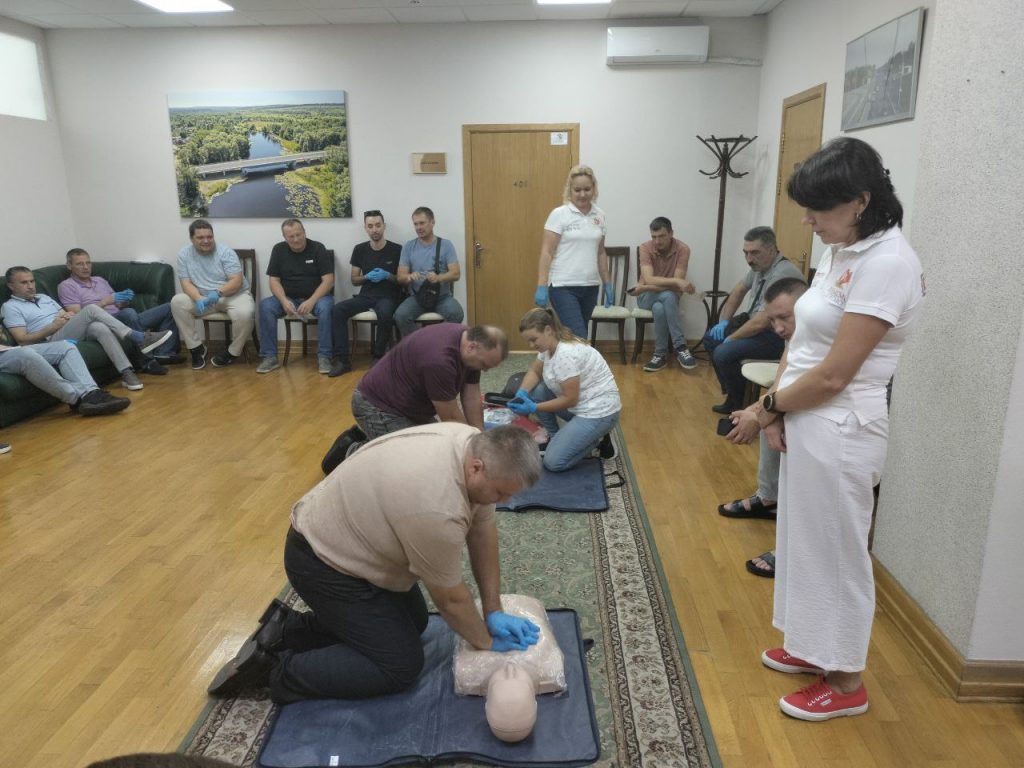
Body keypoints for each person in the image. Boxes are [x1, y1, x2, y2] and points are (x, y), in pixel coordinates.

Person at [755, 137, 924, 721]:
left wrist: (769, 406)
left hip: (844, 426)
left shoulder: (889, 263)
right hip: (806, 417)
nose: (807, 221)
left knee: (838, 551)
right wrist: (777, 407)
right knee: (802, 542)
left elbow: (834, 376)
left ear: (859, 200)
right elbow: (803, 339)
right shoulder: (843, 246)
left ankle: (847, 681)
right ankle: (811, 648)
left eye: (817, 209)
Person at [208, 423, 543, 703]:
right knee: (399, 666)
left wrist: (493, 610)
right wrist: (485, 642)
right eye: (501, 493)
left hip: (353, 544)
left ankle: (286, 629)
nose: (504, 501)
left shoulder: (476, 445)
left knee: (413, 622)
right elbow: (451, 600)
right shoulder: (436, 506)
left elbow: (483, 531)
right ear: (476, 468)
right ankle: (273, 668)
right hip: (320, 560)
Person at [714, 278, 808, 578]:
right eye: (772, 320)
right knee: (772, 419)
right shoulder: (795, 334)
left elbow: (814, 384)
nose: (778, 327)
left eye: (784, 318)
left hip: (834, 414)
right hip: (803, 396)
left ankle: (798, 550)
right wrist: (762, 410)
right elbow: (786, 368)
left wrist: (766, 413)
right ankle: (769, 498)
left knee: (782, 423)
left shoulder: (823, 335)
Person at [325, 324, 508, 471]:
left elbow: (472, 396)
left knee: (440, 449)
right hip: (377, 407)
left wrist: (480, 437)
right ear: (472, 346)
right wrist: (475, 449)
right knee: (414, 464)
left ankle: (373, 438)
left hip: (409, 407)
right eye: (484, 364)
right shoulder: (439, 361)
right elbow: (450, 417)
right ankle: (351, 451)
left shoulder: (467, 344)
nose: (484, 370)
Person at [2, 267, 172, 392]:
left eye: (32, 281)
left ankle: (126, 372)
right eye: (24, 283)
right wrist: (51, 327)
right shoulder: (10, 307)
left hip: (64, 330)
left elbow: (65, 313)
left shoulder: (44, 297)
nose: (31, 286)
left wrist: (67, 316)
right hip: (48, 340)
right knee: (91, 309)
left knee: (98, 327)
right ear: (11, 286)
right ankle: (139, 337)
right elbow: (22, 339)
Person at [703, 227, 803, 414]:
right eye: (746, 253)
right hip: (756, 327)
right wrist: (724, 321)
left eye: (754, 253)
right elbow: (738, 291)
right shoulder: (759, 267)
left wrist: (732, 338)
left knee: (723, 352)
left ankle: (738, 401)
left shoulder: (782, 272)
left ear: (772, 250)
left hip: (776, 336)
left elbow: (762, 321)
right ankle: (735, 393)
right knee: (711, 339)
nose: (749, 259)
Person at [510, 307, 621, 472]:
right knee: (537, 390)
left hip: (599, 412)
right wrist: (522, 392)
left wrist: (534, 408)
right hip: (581, 405)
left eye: (534, 340)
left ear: (548, 330)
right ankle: (556, 437)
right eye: (528, 341)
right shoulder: (550, 345)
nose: (531, 345)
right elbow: (534, 371)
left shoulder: (565, 354)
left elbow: (570, 399)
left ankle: (597, 441)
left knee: (553, 462)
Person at [58, 247, 180, 372]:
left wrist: (123, 301)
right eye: (79, 264)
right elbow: (79, 317)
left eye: (88, 263)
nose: (85, 267)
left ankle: (163, 353)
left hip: (122, 318)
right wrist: (105, 301)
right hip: (104, 324)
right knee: (129, 313)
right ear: (69, 266)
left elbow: (117, 305)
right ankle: (146, 362)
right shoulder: (67, 286)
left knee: (170, 306)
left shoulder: (99, 280)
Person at [534, 165, 612, 339]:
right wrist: (541, 284)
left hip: (591, 286)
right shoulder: (559, 214)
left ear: (594, 189)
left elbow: (600, 252)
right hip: (563, 286)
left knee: (573, 338)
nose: (582, 194)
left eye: (587, 189)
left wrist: (607, 283)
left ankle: (554, 365)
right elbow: (547, 251)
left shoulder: (600, 215)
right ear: (570, 190)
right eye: (577, 190)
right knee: (579, 338)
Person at [169, 219, 256, 370]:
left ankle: (233, 352)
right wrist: (197, 298)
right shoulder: (184, 254)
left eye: (209, 237)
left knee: (246, 312)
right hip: (203, 298)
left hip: (232, 295)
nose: (206, 241)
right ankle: (197, 349)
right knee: (177, 302)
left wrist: (218, 292)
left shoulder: (225, 252)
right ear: (192, 239)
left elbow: (237, 281)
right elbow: (186, 283)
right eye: (201, 238)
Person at [327, 210, 404, 377]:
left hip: (388, 296)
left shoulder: (397, 249)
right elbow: (354, 280)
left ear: (384, 226)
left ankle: (378, 357)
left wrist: (387, 275)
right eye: (370, 226)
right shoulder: (360, 249)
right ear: (365, 228)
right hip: (366, 295)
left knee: (385, 312)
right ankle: (343, 361)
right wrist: (366, 277)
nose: (374, 229)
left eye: (377, 225)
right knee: (337, 310)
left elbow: (402, 280)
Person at [256, 219, 335, 374]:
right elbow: (274, 280)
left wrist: (312, 301)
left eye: (298, 234)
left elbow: (328, 280)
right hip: (289, 297)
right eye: (291, 236)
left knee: (327, 307)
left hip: (317, 297)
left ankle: (325, 357)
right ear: (285, 237)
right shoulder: (278, 250)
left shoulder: (318, 248)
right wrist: (283, 300)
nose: (296, 239)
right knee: (266, 306)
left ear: (304, 232)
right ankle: (269, 357)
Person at [632, 216, 697, 371]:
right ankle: (680, 346)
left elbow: (651, 283)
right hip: (644, 297)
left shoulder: (683, 249)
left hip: (653, 293)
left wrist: (647, 286)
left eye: (661, 236)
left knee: (660, 308)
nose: (657, 241)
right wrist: (676, 282)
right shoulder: (645, 248)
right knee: (668, 295)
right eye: (653, 237)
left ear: (671, 233)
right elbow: (648, 278)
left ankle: (659, 355)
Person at [0, 340, 131, 416]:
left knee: (65, 347)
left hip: (5, 349)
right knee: (26, 355)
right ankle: (76, 399)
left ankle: (90, 393)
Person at [393, 207, 464, 339]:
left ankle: (440, 344)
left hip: (442, 297)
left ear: (432, 222)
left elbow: (456, 274)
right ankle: (420, 345)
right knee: (400, 315)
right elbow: (400, 277)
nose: (418, 227)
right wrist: (409, 276)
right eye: (415, 224)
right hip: (417, 297)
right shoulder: (409, 246)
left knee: (456, 313)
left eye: (422, 223)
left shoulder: (446, 245)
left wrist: (439, 278)